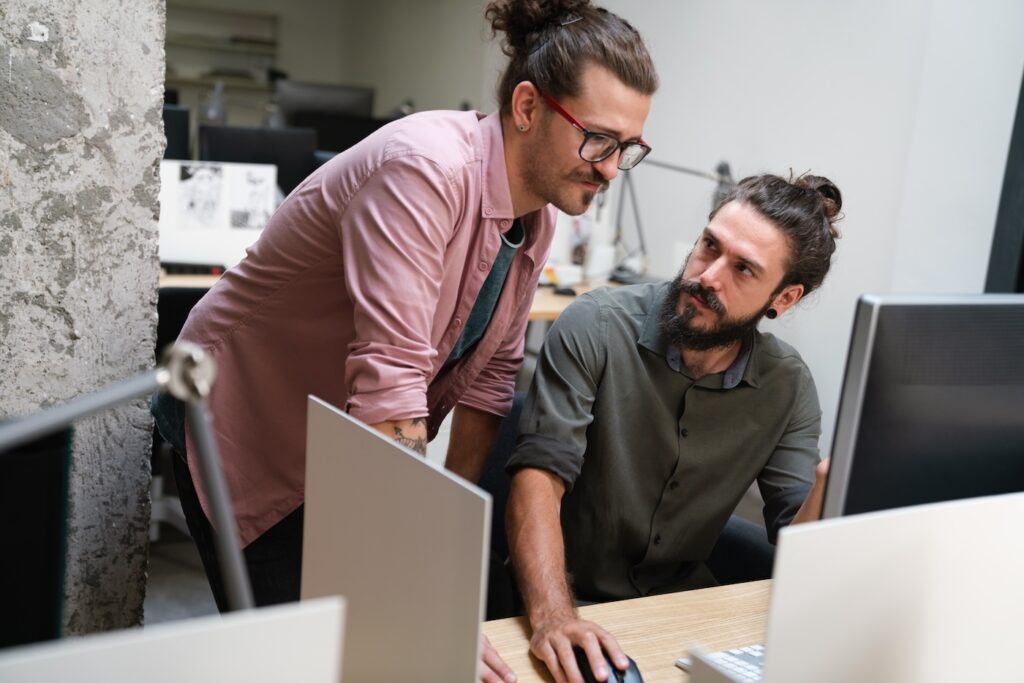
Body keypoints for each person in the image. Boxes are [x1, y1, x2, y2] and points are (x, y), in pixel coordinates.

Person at [152, 0, 657, 681]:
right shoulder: (423, 168)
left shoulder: (534, 218)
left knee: (380, 650)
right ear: (530, 107)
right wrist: (417, 599)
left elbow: (486, 384)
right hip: (247, 423)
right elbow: (391, 391)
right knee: (311, 661)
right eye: (598, 139)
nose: (610, 168)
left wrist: (441, 565)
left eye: (628, 148)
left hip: (342, 439)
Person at [504, 173, 843, 683]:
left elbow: (796, 548)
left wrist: (828, 483)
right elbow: (539, 479)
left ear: (784, 297)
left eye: (743, 269)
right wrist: (554, 617)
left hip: (681, 619)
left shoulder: (788, 385)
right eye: (710, 246)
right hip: (559, 602)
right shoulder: (596, 326)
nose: (708, 276)